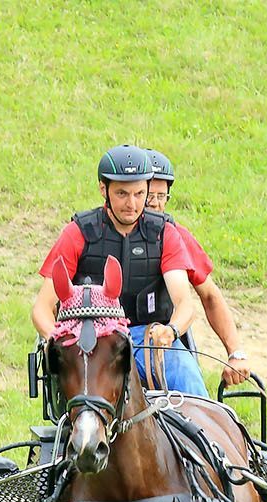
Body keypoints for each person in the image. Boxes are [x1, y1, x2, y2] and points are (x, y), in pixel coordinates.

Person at [32, 145, 207, 395]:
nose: (132, 204)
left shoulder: (164, 233)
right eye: (122, 193)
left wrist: (171, 331)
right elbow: (41, 308)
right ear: (104, 189)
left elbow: (185, 304)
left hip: (149, 340)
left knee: (185, 372)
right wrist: (58, 339)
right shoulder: (78, 233)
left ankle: (203, 432)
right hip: (90, 340)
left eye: (139, 193)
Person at [145, 149, 251, 387]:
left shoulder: (176, 236)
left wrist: (236, 353)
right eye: (149, 195)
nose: (155, 204)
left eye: (162, 196)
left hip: (161, 341)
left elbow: (210, 295)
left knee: (186, 376)